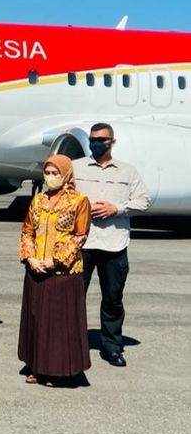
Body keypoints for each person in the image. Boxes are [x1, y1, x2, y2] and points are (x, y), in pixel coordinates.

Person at [73, 123, 151, 367]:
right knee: (74, 298)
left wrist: (116, 209)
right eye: (93, 139)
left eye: (102, 140)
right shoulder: (76, 168)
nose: (96, 143)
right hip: (82, 243)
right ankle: (73, 345)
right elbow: (60, 198)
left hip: (114, 244)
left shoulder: (127, 172)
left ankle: (111, 346)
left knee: (113, 299)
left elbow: (144, 200)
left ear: (112, 142)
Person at [18, 154, 92, 386]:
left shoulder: (78, 201)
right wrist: (30, 258)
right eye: (47, 173)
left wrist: (55, 260)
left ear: (66, 174)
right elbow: (27, 231)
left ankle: (57, 370)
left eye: (55, 173)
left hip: (63, 272)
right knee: (37, 320)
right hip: (36, 269)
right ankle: (37, 367)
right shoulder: (38, 200)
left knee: (59, 323)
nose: (50, 178)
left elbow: (80, 235)